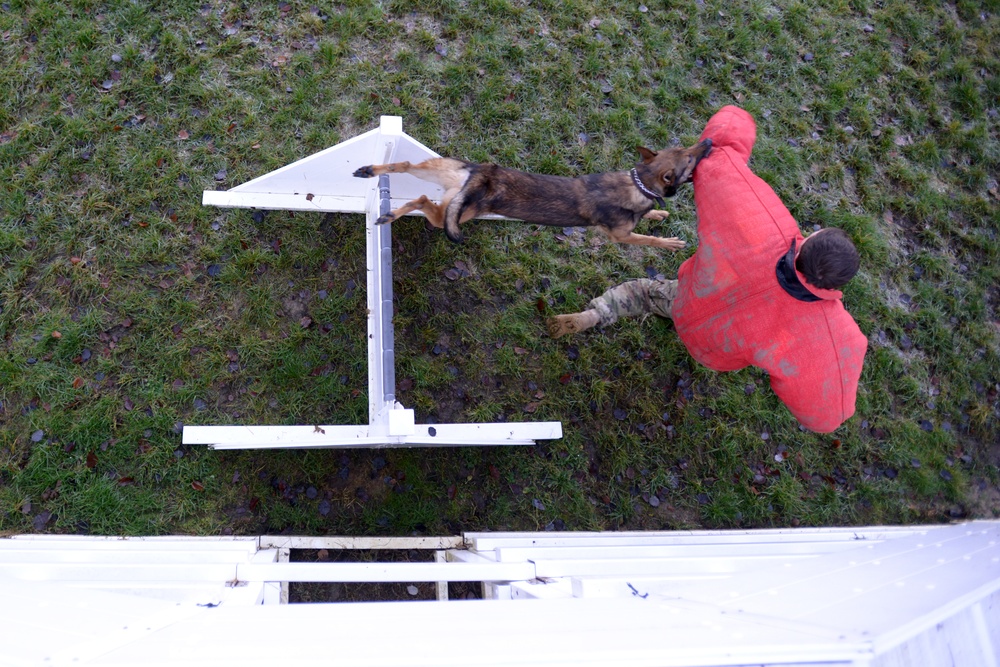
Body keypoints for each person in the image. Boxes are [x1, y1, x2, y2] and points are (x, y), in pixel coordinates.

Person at [547, 106, 867, 433]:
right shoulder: (833, 333)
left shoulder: (761, 226)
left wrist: (736, 117)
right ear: (834, 288)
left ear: (809, 241)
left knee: (640, 292)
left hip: (690, 298)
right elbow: (827, 416)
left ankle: (595, 315)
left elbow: (723, 150)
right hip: (715, 348)